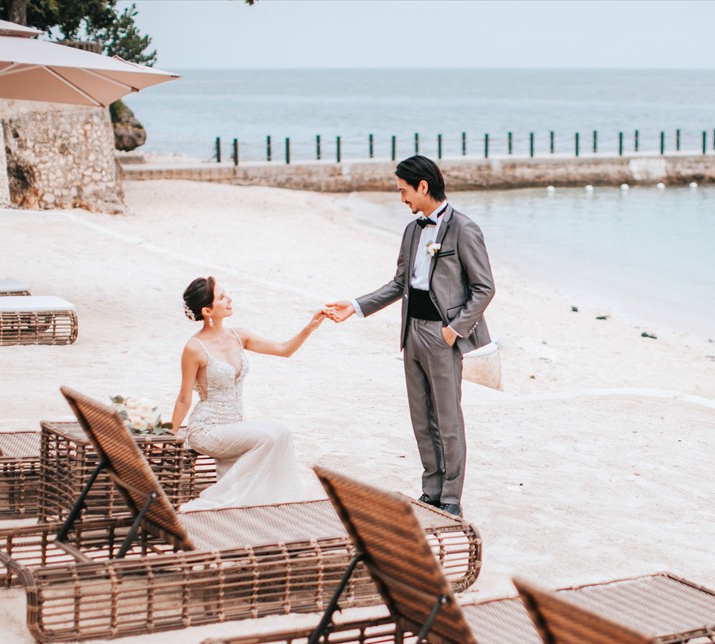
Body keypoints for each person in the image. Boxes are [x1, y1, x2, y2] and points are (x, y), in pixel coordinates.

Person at [325, 156, 495, 516]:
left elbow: (484, 288)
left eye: (404, 191)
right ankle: (431, 490)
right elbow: (399, 284)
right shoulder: (412, 230)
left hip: (442, 335)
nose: (401, 198)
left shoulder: (464, 229)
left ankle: (451, 498)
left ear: (423, 186)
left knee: (447, 418)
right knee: (421, 416)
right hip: (412, 331)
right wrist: (355, 306)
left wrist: (454, 330)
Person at [172, 276, 326, 512]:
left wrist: (310, 327)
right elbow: (184, 398)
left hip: (235, 426)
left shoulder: (239, 336)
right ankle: (253, 497)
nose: (229, 299)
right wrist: (170, 434)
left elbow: (284, 350)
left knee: (279, 435)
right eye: (222, 297)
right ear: (207, 310)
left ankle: (273, 501)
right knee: (276, 433)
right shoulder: (194, 348)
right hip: (207, 430)